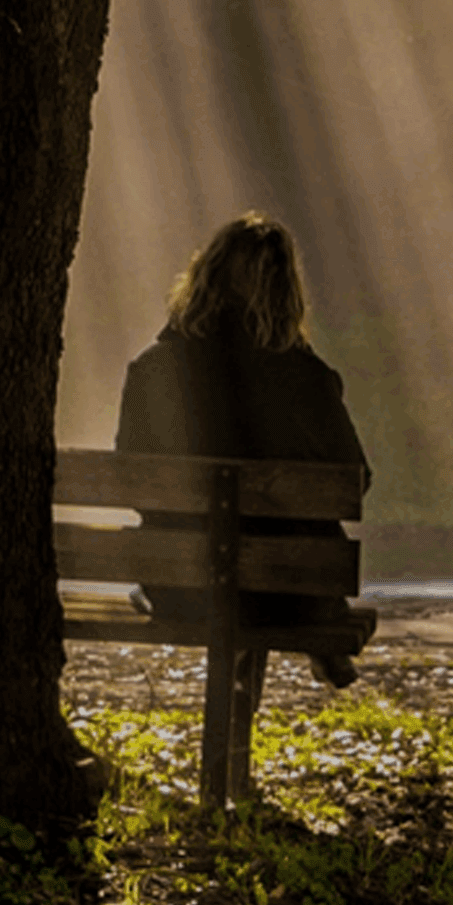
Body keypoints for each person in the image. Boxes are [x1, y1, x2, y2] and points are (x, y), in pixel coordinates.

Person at [114, 211, 370, 690]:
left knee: (231, 561)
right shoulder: (308, 380)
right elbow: (358, 480)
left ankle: (239, 699)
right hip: (291, 593)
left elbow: (131, 482)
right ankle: (321, 644)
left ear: (203, 279)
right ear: (286, 293)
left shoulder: (153, 370)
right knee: (275, 558)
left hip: (180, 586)